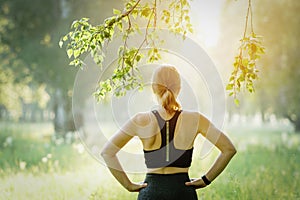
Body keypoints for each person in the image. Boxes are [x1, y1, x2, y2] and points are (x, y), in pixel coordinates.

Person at [101, 65, 237, 200]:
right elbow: (229, 149)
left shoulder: (140, 120)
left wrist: (128, 185)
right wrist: (205, 180)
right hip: (182, 192)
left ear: (153, 88)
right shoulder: (195, 119)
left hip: (151, 192)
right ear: (179, 88)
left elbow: (107, 152)